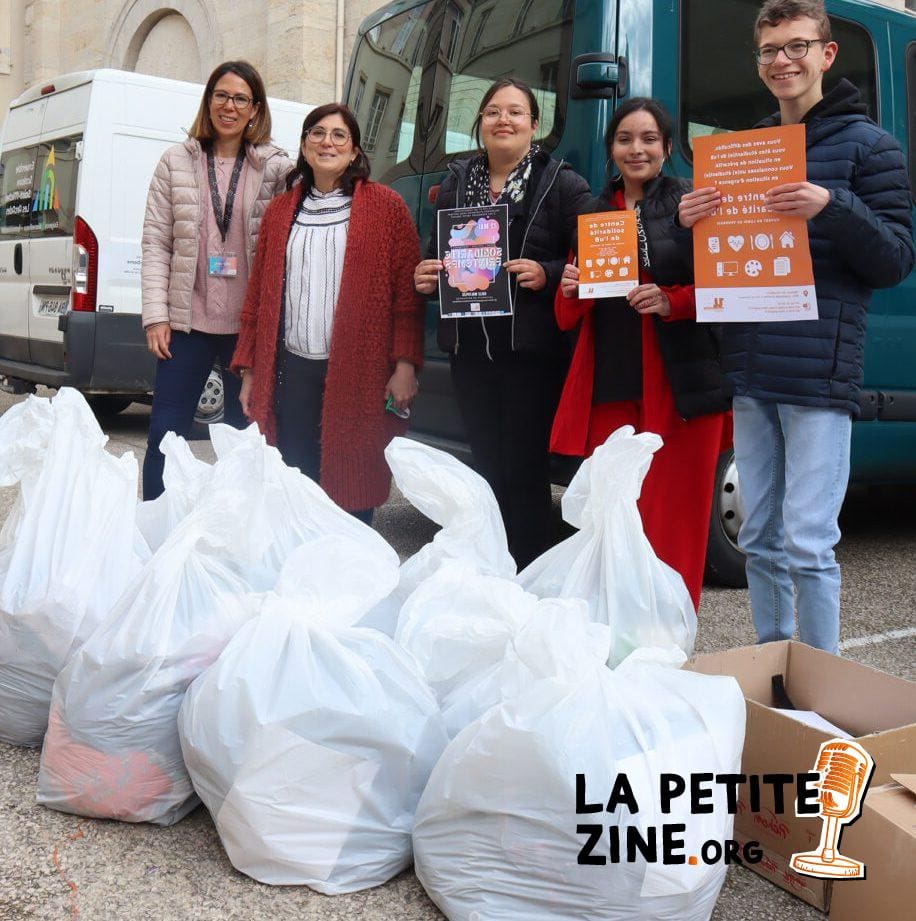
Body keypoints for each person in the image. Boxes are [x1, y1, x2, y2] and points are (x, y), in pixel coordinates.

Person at [678, 0, 915, 651]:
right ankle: (777, 669)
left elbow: (895, 257)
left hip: (819, 375)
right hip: (753, 369)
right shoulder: (752, 151)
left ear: (826, 54)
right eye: (769, 50)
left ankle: (821, 679)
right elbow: (728, 264)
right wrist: (698, 220)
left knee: (809, 541)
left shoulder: (872, 147)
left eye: (796, 46)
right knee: (757, 536)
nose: (782, 61)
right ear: (758, 64)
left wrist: (832, 206)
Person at [550, 98, 731, 611]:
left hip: (680, 389)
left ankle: (671, 634)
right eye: (625, 138)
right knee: (615, 520)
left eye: (649, 138)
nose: (637, 149)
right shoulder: (591, 213)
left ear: (668, 148)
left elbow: (730, 291)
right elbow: (566, 318)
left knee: (676, 520)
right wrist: (569, 287)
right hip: (611, 387)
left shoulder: (692, 204)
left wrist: (671, 301)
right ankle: (617, 632)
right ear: (611, 150)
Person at [413, 78, 592, 569]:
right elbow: (436, 254)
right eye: (493, 112)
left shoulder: (560, 182)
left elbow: (596, 255)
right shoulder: (456, 181)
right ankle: (492, 570)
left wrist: (549, 272)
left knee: (524, 468)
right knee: (486, 465)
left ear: (535, 126)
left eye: (516, 112)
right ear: (481, 124)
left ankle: (530, 569)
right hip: (470, 350)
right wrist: (426, 273)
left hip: (530, 353)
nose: (503, 121)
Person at [230, 103, 423, 523]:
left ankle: (352, 578)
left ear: (355, 151)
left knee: (352, 485)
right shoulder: (281, 212)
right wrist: (250, 370)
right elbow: (258, 297)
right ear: (303, 146)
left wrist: (405, 364)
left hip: (359, 373)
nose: (327, 142)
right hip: (293, 369)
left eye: (339, 135)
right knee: (295, 484)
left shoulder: (386, 208)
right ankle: (302, 577)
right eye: (316, 133)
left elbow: (406, 297)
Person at [141, 60, 292, 500]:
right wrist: (155, 315)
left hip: (246, 332)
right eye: (221, 96)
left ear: (255, 108)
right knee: (165, 438)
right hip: (185, 325)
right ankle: (155, 531)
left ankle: (232, 540)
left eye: (240, 98)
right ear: (208, 101)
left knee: (244, 443)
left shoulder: (274, 169)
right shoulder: (174, 162)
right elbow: (155, 244)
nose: (229, 106)